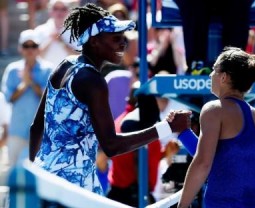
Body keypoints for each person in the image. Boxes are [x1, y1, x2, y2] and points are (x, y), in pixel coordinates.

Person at [29, 3, 191, 196]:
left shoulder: (65, 65)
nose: (123, 43)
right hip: (73, 191)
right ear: (94, 41)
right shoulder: (92, 81)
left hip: (46, 181)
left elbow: (36, 127)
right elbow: (112, 146)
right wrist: (168, 127)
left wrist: (34, 172)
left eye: (122, 38)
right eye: (115, 38)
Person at [172, 47, 255, 207]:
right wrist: (183, 133)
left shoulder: (214, 109)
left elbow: (203, 163)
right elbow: (221, 161)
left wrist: (182, 206)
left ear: (224, 77)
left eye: (214, 70)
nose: (210, 75)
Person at [1, 29, 53, 167]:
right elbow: (8, 98)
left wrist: (30, 82)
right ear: (20, 48)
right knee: (13, 172)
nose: (30, 50)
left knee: (39, 174)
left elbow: (50, 99)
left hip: (41, 133)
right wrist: (24, 84)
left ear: (39, 48)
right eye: (26, 46)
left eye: (33, 46)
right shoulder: (12, 69)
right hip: (17, 130)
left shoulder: (48, 69)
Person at [34, 0, 80, 67]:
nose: (59, 12)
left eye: (63, 9)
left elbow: (79, 57)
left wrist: (61, 42)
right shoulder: (39, 30)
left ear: (68, 11)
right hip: (46, 75)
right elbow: (35, 56)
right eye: (55, 8)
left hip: (68, 72)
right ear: (50, 11)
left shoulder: (76, 31)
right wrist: (50, 41)